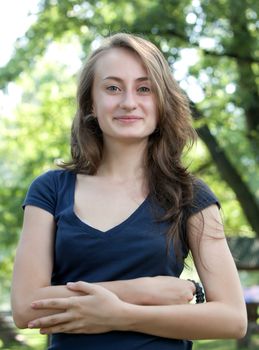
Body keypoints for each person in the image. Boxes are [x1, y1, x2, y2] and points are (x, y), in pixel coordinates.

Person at [11, 33, 247, 350]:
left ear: (161, 101)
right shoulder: (50, 190)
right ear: (91, 104)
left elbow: (232, 318)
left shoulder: (191, 195)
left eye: (144, 88)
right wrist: (144, 291)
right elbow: (26, 307)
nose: (128, 102)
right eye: (112, 88)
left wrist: (120, 315)